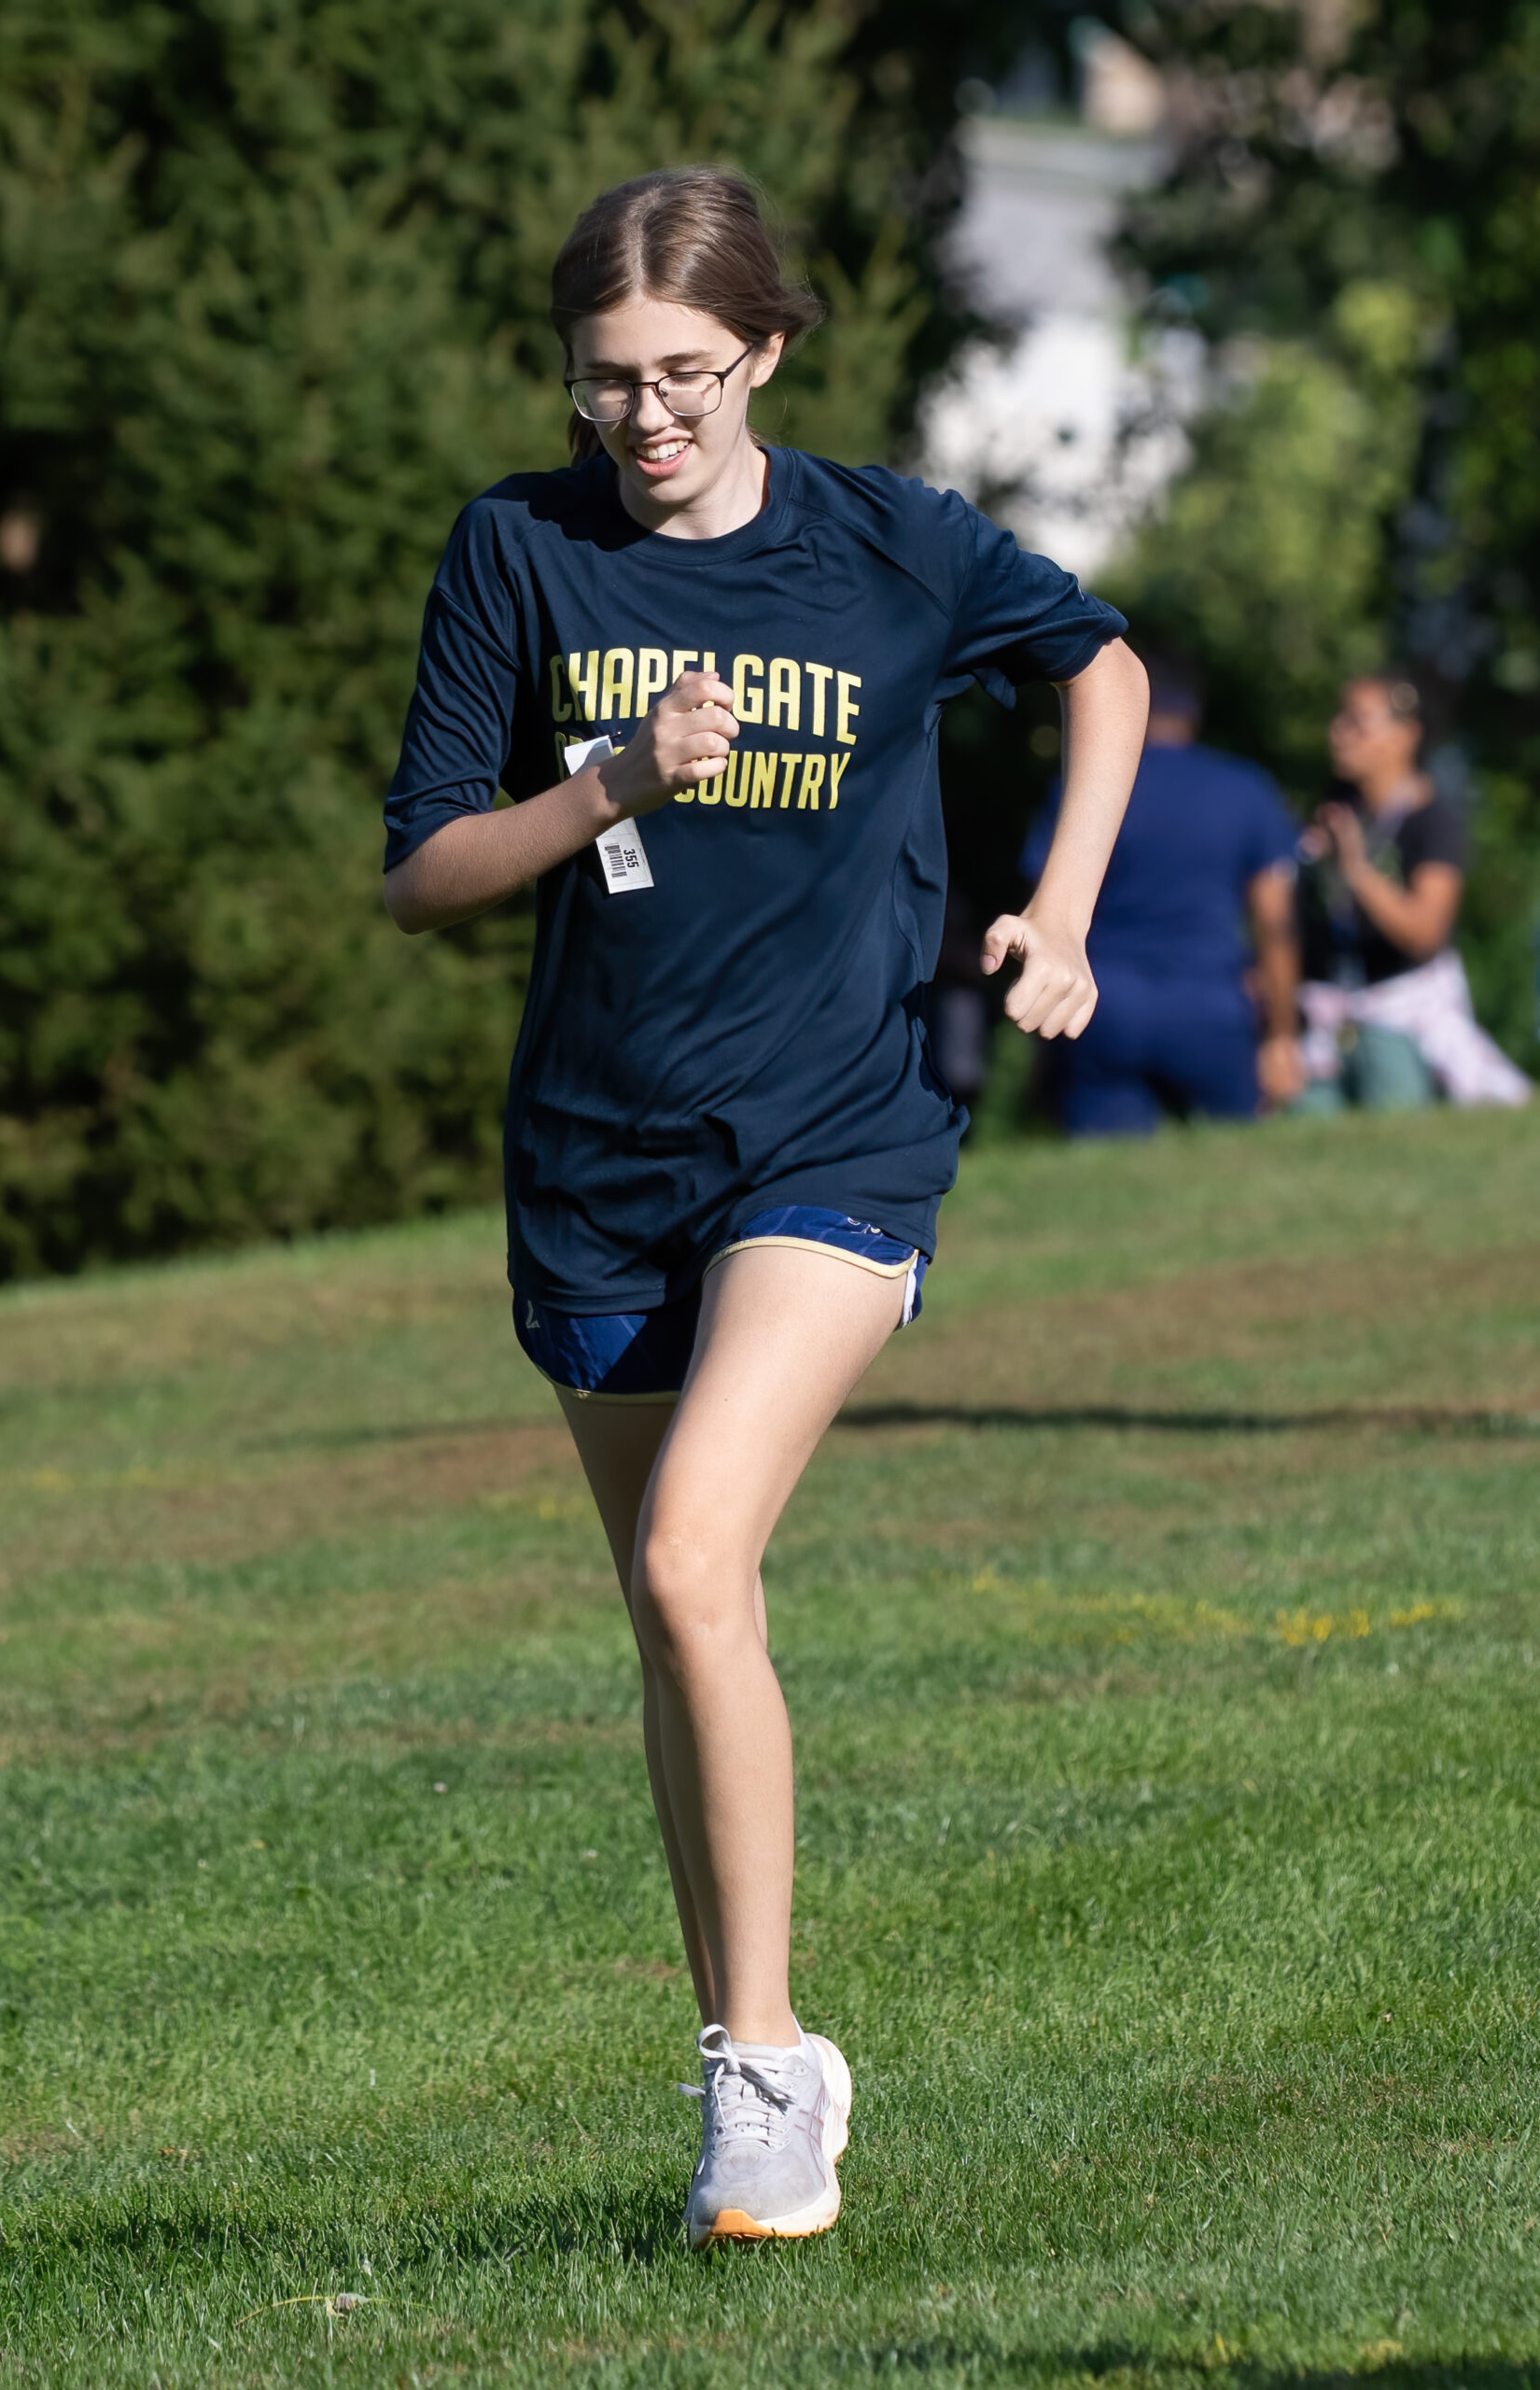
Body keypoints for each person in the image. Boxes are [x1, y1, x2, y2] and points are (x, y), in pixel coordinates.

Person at [381, 167, 1147, 2249]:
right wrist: (607, 783)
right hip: (597, 1159)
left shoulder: (891, 543)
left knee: (693, 1550)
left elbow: (1098, 667)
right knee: (672, 1610)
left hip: (834, 1134)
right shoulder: (517, 548)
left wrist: (1064, 908)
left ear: (769, 353)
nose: (643, 419)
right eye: (605, 381)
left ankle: (761, 2065)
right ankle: (749, 2046)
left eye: (686, 375)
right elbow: (425, 869)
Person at [1019, 650, 1302, 1134]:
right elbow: (1274, 924)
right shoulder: (1246, 789)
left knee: (1111, 1171)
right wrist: (1281, 1035)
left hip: (1105, 1008)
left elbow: (1044, 911)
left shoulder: (1082, 787)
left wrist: (1039, 1038)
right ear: (1194, 711)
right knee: (1240, 1166)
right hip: (1211, 1010)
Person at [1294, 672, 1529, 1109]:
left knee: (1392, 1098)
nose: (1338, 732)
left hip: (1401, 1012)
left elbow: (1425, 933)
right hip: (1327, 1009)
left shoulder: (1432, 821)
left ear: (1405, 735)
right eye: (1339, 719)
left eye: (1357, 722)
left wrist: (1357, 869)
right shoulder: (1336, 806)